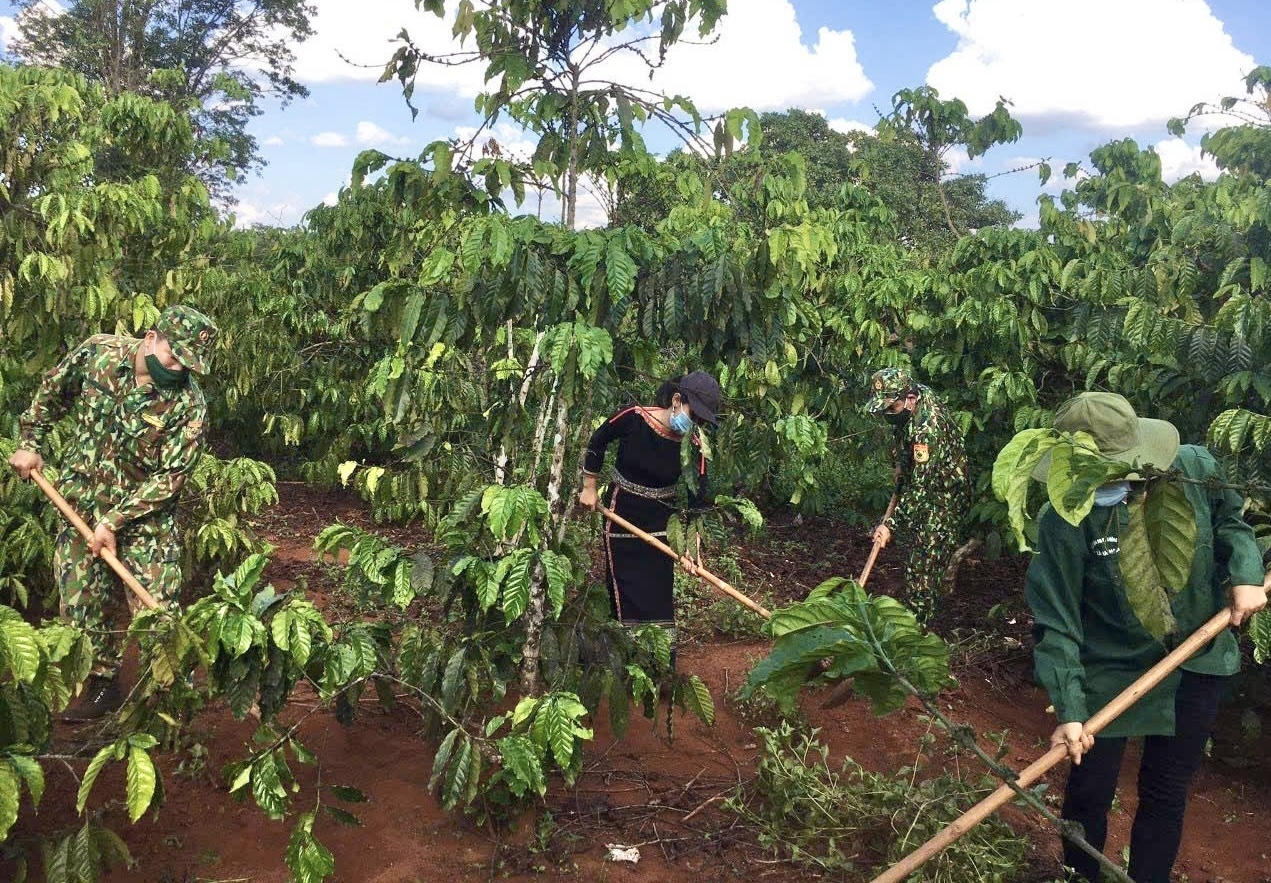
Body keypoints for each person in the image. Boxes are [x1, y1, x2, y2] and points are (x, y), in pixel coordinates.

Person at [1023, 392, 1268, 883]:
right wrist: (1070, 710)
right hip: (1110, 665)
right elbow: (1057, 618)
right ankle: (1079, 877)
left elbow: (1230, 519)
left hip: (1195, 654)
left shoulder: (1191, 469)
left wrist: (1244, 571)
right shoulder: (1065, 521)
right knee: (1089, 788)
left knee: (1166, 788)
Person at [8, 305, 219, 720]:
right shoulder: (97, 354)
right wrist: (31, 440)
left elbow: (170, 478)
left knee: (158, 610)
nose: (177, 369)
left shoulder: (190, 406)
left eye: (188, 364)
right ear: (152, 338)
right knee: (82, 602)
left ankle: (170, 697)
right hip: (79, 505)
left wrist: (113, 522)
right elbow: (52, 393)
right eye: (174, 356)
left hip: (144, 518)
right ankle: (101, 689)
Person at [577, 371, 720, 664]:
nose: (697, 426)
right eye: (696, 416)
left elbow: (696, 500)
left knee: (657, 588)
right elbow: (598, 439)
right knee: (625, 583)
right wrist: (589, 486)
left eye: (703, 422)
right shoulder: (634, 418)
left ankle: (660, 665)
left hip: (660, 521)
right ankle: (625, 662)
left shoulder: (695, 448)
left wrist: (692, 549)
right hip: (621, 513)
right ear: (677, 401)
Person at [863, 367, 969, 625]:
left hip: (943, 496)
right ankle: (922, 604)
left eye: (891, 408)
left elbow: (921, 488)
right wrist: (902, 464)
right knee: (916, 553)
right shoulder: (916, 395)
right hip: (924, 479)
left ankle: (915, 635)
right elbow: (904, 435)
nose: (887, 414)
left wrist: (889, 525)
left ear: (910, 399)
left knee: (922, 567)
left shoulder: (927, 429)